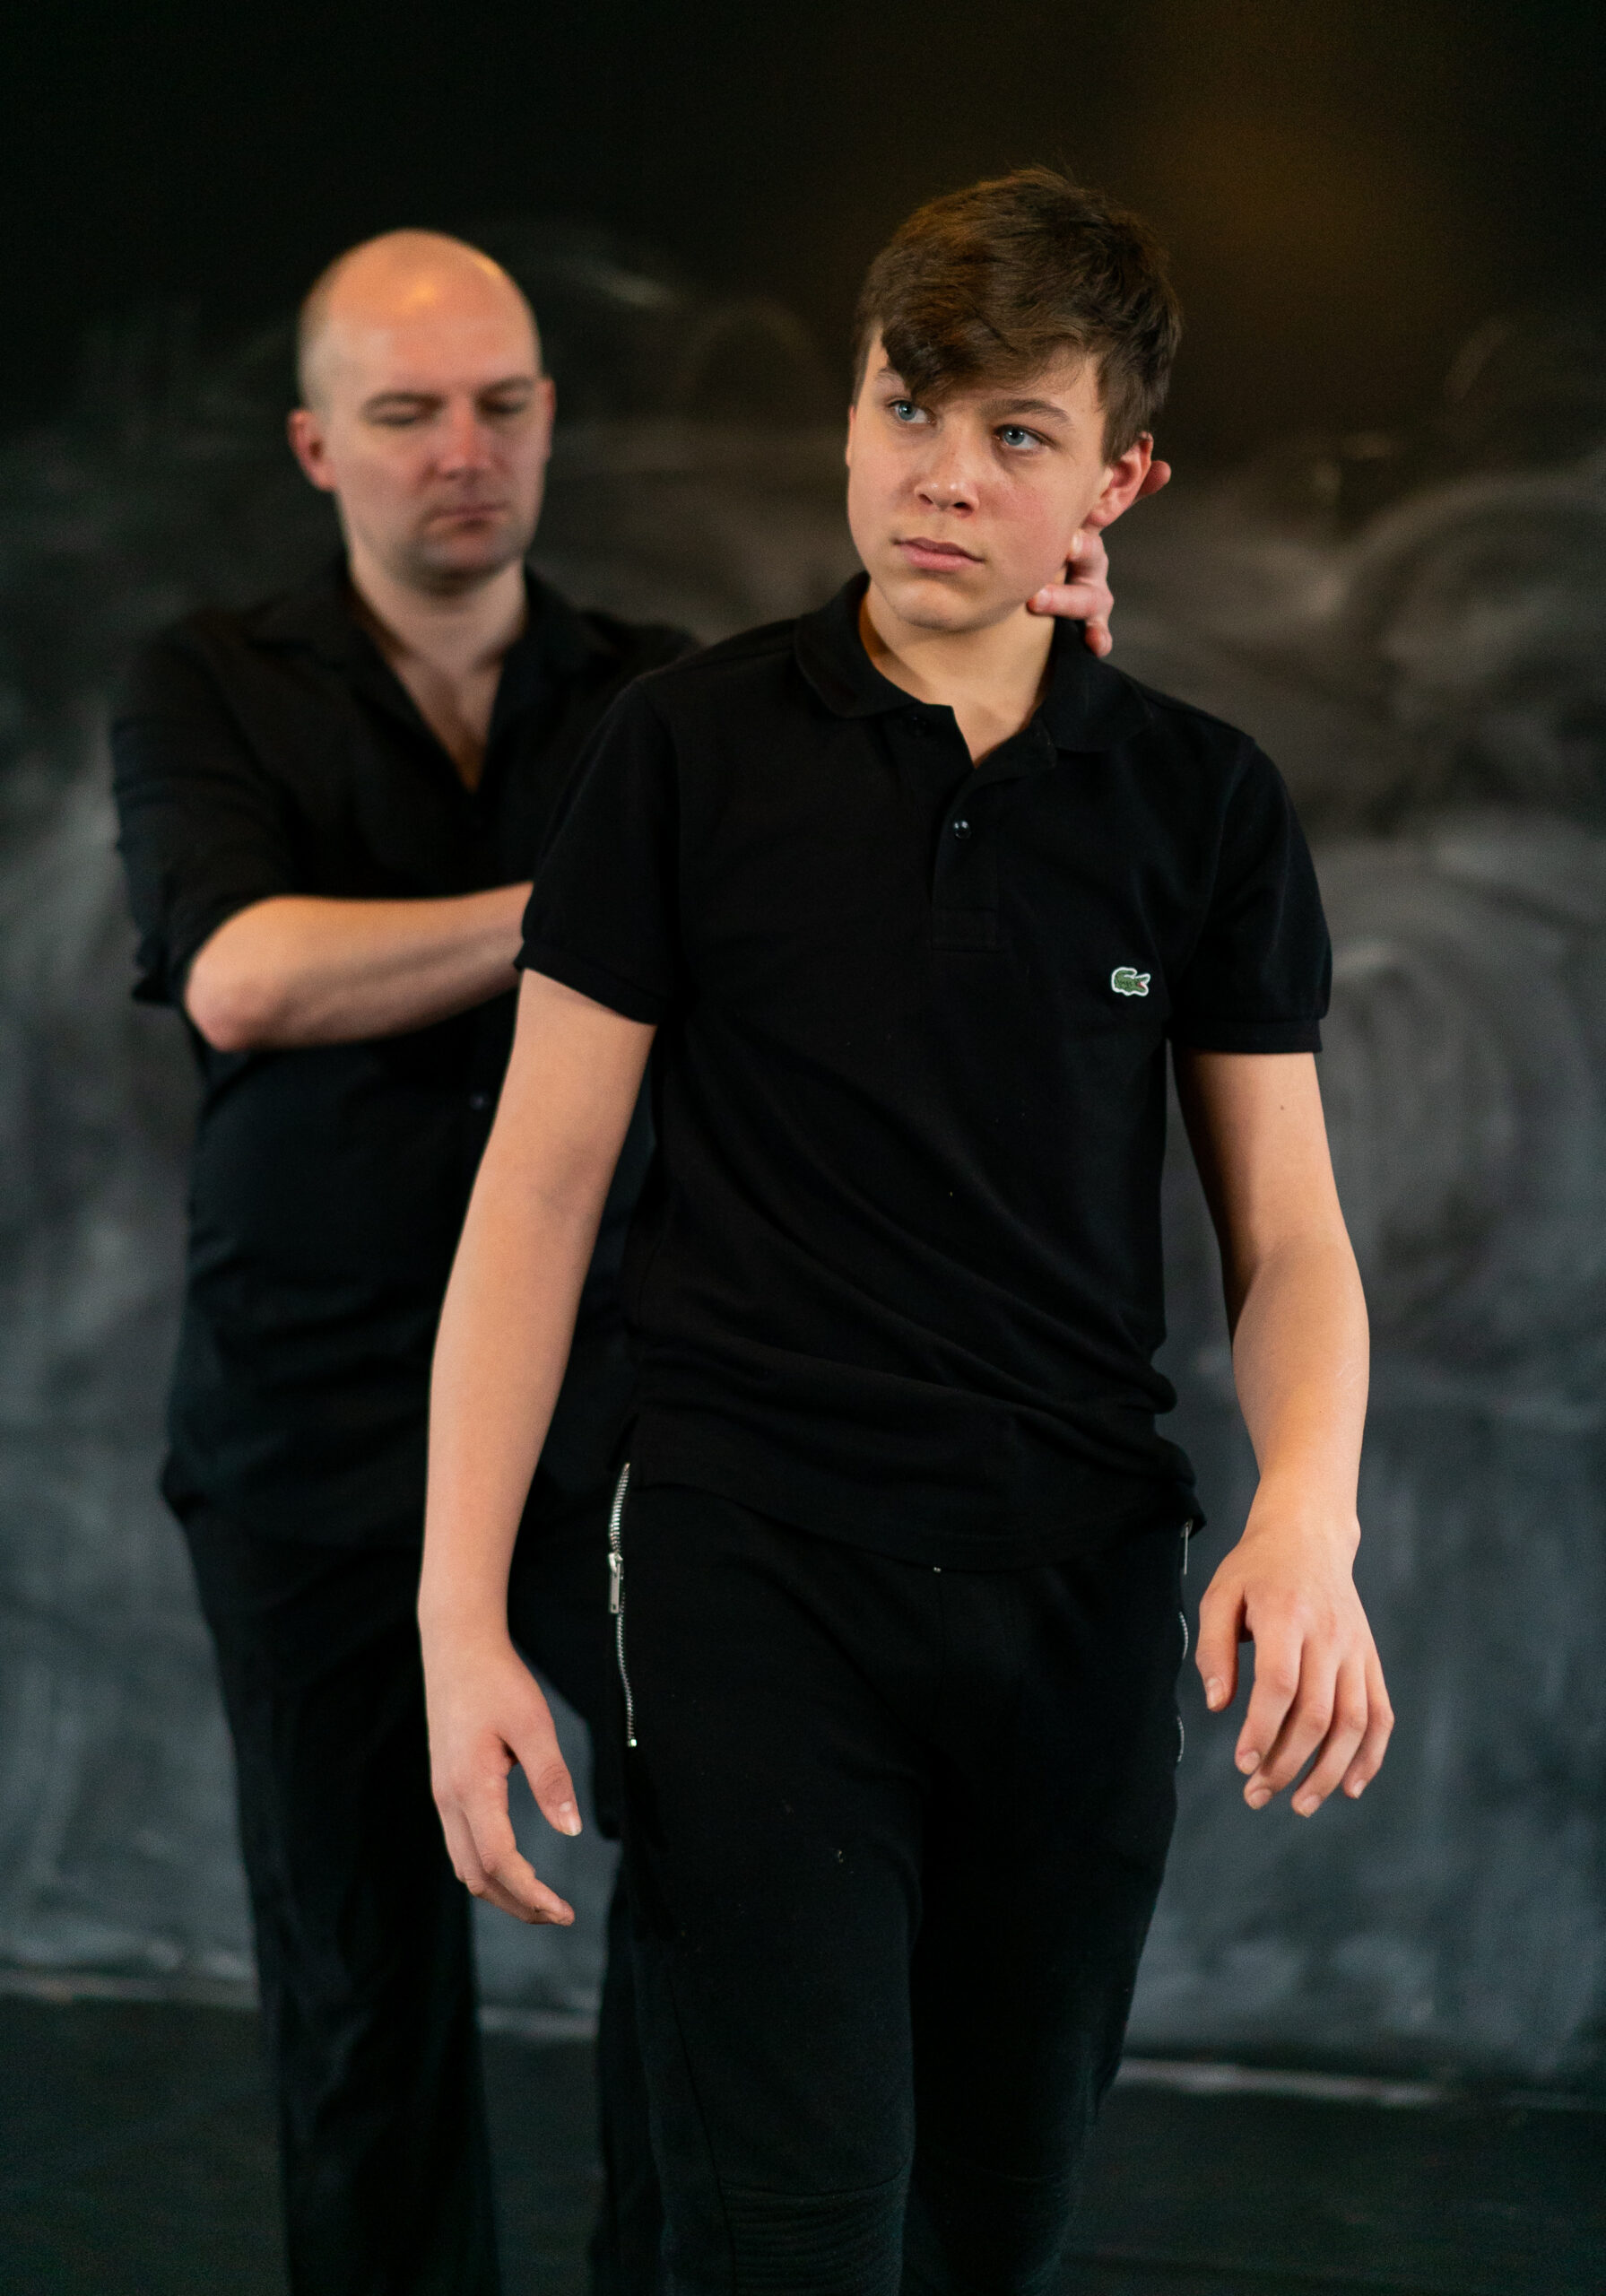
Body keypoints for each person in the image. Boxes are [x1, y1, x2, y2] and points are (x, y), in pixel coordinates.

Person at [109, 227, 1134, 2296]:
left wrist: (1048, 674)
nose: (459, 451)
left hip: (617, 1427)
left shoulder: (661, 697)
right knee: (358, 1981)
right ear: (322, 444)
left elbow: (880, 871)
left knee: (700, 1937)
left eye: (499, 403)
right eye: (406, 414)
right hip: (304, 1434)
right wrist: (598, 901)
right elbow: (240, 974)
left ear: (550, 421)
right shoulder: (207, 681)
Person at [420, 170, 1394, 2296]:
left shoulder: (1198, 805)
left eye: (1014, 435)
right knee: (788, 2222)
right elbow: (539, 1188)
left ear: (1115, 480)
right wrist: (455, 1613)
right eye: (903, 408)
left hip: (1068, 1588)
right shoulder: (683, 751)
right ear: (851, 412)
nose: (940, 476)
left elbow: (1288, 1241)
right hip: (745, 1557)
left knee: (985, 2222)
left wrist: (1303, 1510)